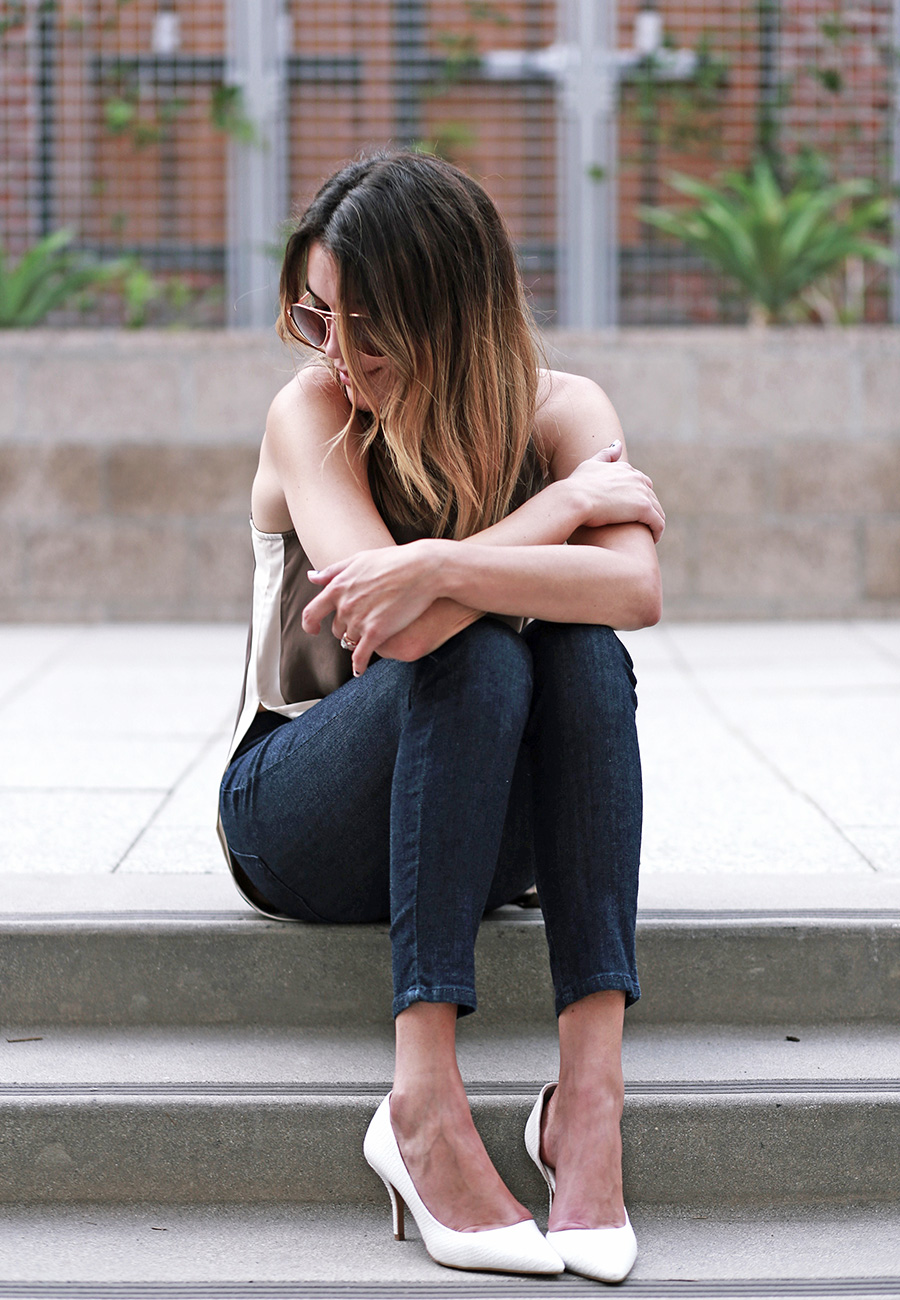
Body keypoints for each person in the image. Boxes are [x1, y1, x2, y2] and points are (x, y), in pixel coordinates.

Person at [218, 150, 664, 1282]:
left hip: (484, 827)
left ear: (455, 319)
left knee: (575, 658)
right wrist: (560, 508)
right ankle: (421, 1100)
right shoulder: (310, 411)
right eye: (316, 315)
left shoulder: (564, 407)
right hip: (301, 809)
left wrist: (446, 566)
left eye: (372, 332)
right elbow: (394, 623)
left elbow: (632, 594)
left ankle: (588, 1104)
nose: (339, 355)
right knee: (472, 653)